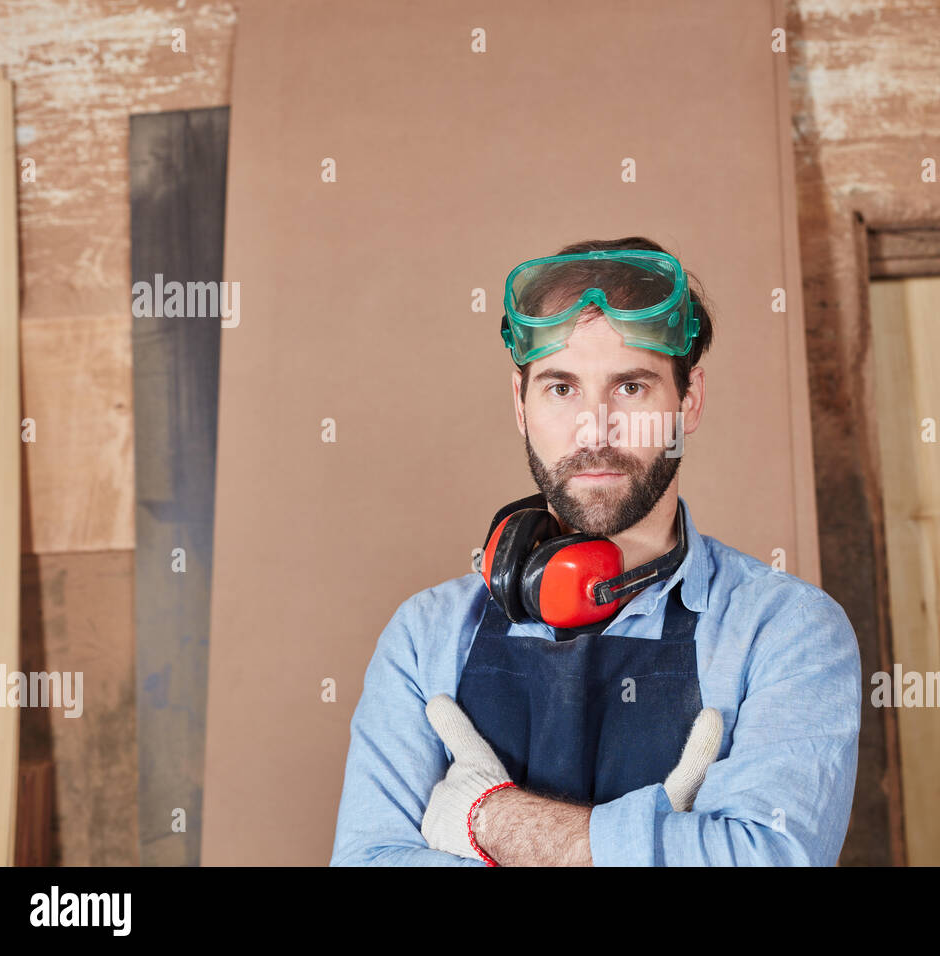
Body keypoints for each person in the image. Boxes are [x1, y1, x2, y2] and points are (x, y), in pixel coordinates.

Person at [330, 236, 861, 866]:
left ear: (687, 401)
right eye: (561, 388)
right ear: (520, 407)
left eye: (631, 387)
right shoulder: (426, 635)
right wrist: (662, 848)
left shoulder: (787, 631)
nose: (595, 427)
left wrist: (493, 821)